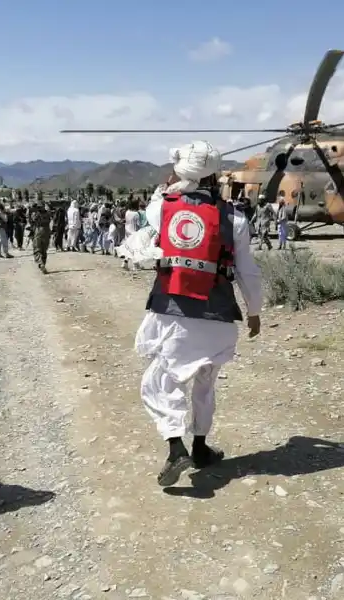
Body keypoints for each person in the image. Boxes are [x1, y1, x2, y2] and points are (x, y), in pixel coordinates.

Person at [135, 141, 263, 487]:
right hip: (219, 315)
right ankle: (201, 448)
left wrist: (168, 186)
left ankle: (176, 447)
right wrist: (254, 311)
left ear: (182, 174)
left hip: (174, 312)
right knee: (205, 384)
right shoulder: (233, 217)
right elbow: (248, 270)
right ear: (215, 176)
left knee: (161, 382)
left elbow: (152, 208)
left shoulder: (163, 207)